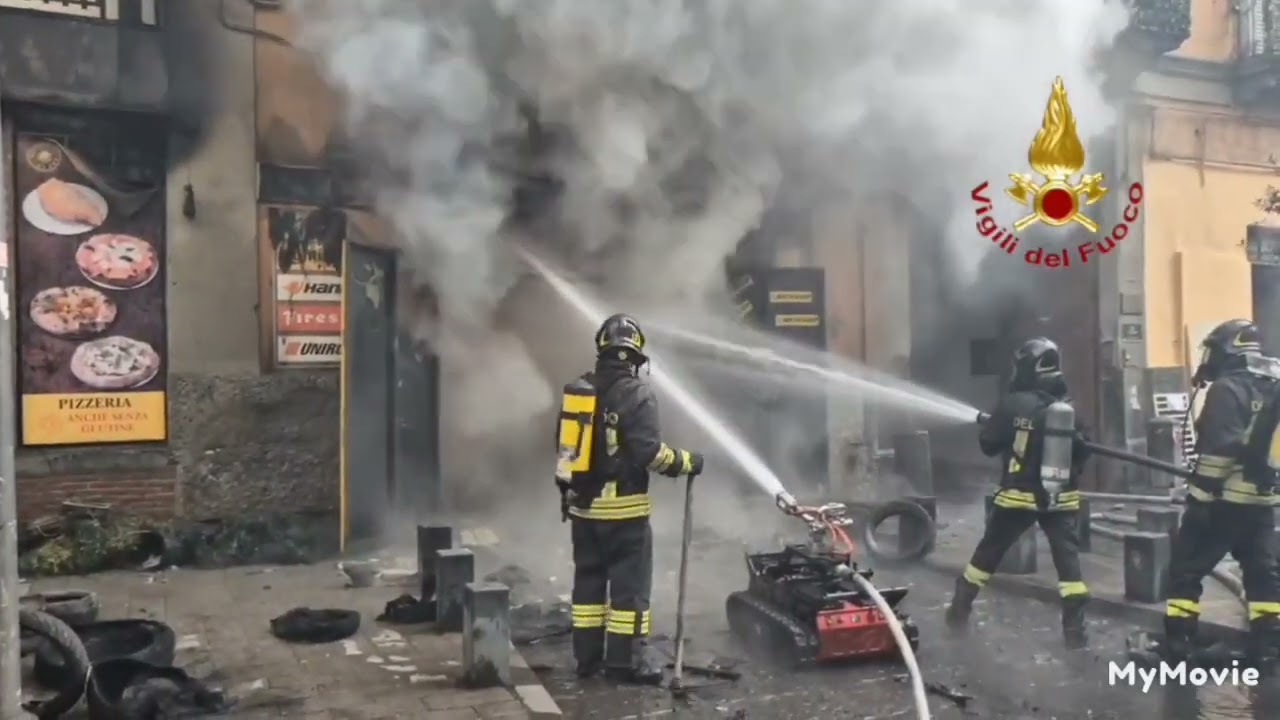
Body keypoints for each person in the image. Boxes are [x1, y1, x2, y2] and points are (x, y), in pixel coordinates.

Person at [555, 313, 705, 684]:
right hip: (625, 515)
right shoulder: (638, 394)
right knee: (629, 592)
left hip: (583, 511)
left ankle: (587, 660)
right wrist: (687, 462)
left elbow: (566, 452)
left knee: (588, 588)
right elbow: (648, 454)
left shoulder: (580, 392)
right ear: (635, 355)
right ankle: (627, 663)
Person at [945, 337, 1092, 648]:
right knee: (1069, 567)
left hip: (1018, 498)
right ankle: (1075, 633)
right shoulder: (1068, 409)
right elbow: (1083, 453)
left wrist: (1006, 426)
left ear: (1026, 368)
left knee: (987, 554)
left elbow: (988, 445)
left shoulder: (1013, 403)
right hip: (1060, 499)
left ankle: (959, 610)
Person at [1162, 319, 1280, 667]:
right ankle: (1269, 649)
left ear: (1228, 350)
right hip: (1262, 502)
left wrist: (1198, 498)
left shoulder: (1227, 389)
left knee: (1185, 570)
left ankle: (1179, 644)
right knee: (1262, 575)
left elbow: (1218, 454)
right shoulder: (1272, 385)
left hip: (1223, 503)